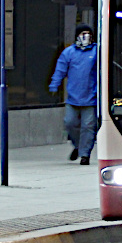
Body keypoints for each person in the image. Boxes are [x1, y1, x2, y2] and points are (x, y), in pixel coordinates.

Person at [50, 24, 98, 165]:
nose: (85, 36)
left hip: (91, 98)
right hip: (73, 98)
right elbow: (60, 70)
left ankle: (84, 155)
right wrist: (54, 85)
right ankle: (77, 146)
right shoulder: (69, 53)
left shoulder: (96, 51)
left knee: (88, 127)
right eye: (83, 33)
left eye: (88, 33)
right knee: (70, 123)